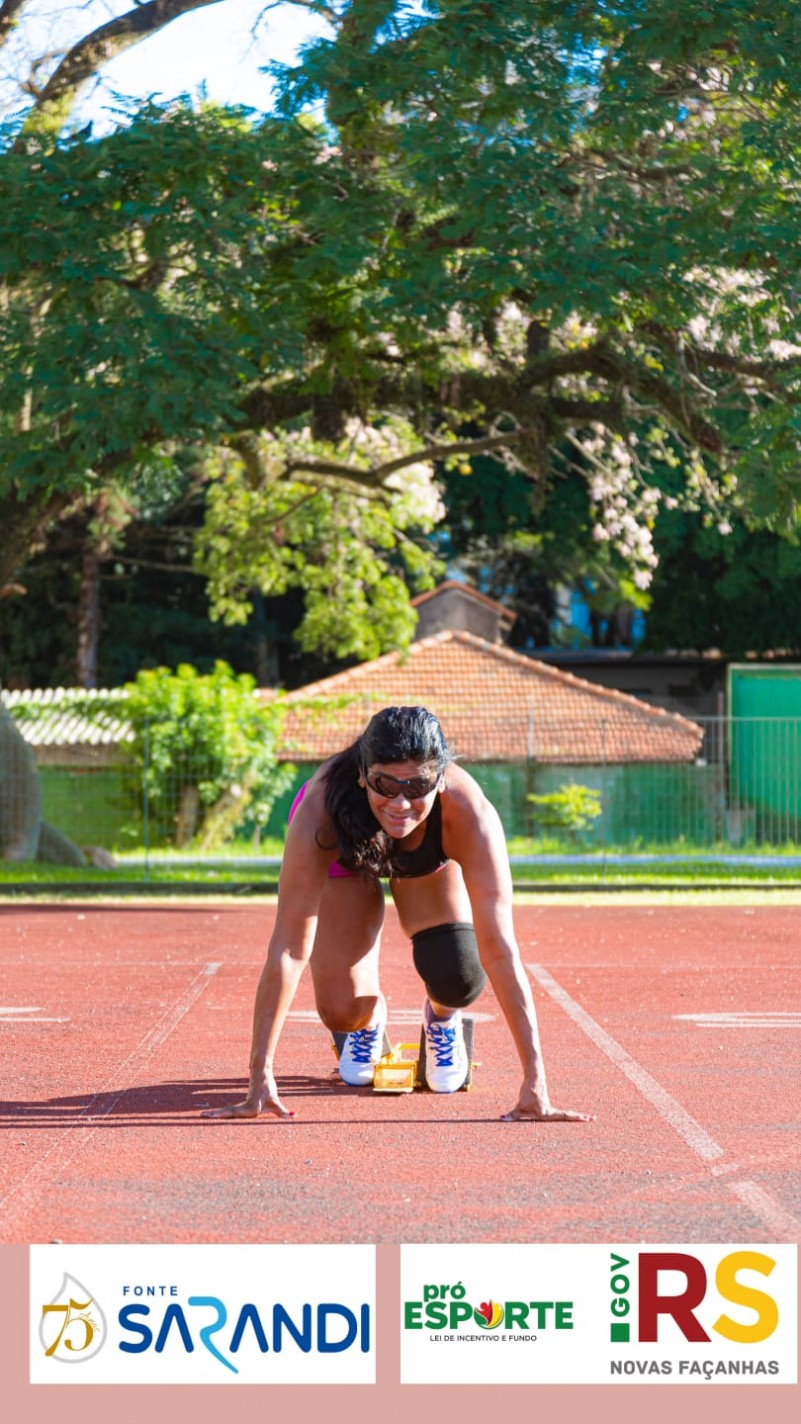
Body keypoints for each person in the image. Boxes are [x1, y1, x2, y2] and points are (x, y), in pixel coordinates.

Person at [206, 705, 592, 1124]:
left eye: (418, 785)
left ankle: (441, 1021)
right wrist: (259, 1074)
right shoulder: (320, 808)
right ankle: (369, 1020)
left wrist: (536, 1080)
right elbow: (288, 948)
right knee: (339, 1012)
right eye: (384, 785)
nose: (401, 802)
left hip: (426, 863)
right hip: (347, 861)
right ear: (362, 774)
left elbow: (500, 949)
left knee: (459, 976)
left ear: (441, 778)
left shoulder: (470, 817)